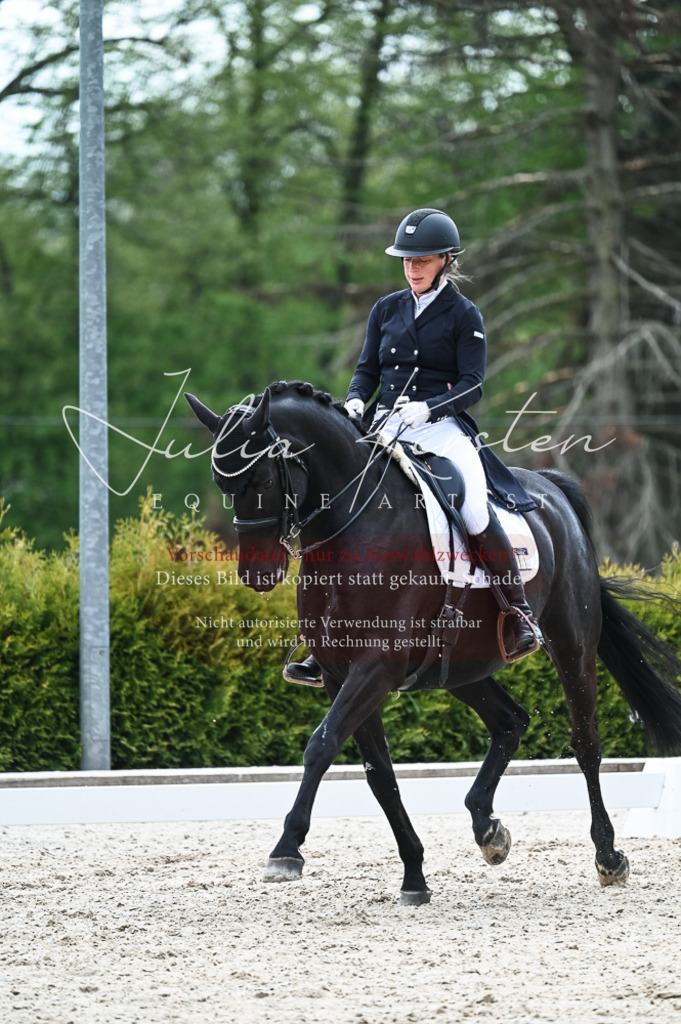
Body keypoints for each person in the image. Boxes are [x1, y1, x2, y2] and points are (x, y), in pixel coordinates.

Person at [284, 208, 542, 686]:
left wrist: (429, 409)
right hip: (386, 424)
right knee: (340, 505)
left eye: (422, 259)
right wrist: (357, 401)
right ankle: (323, 642)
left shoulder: (465, 314)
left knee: (473, 507)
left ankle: (519, 612)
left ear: (445, 259)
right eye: (406, 259)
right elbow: (367, 370)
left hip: (441, 427)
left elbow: (473, 384)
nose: (412, 267)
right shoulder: (386, 309)